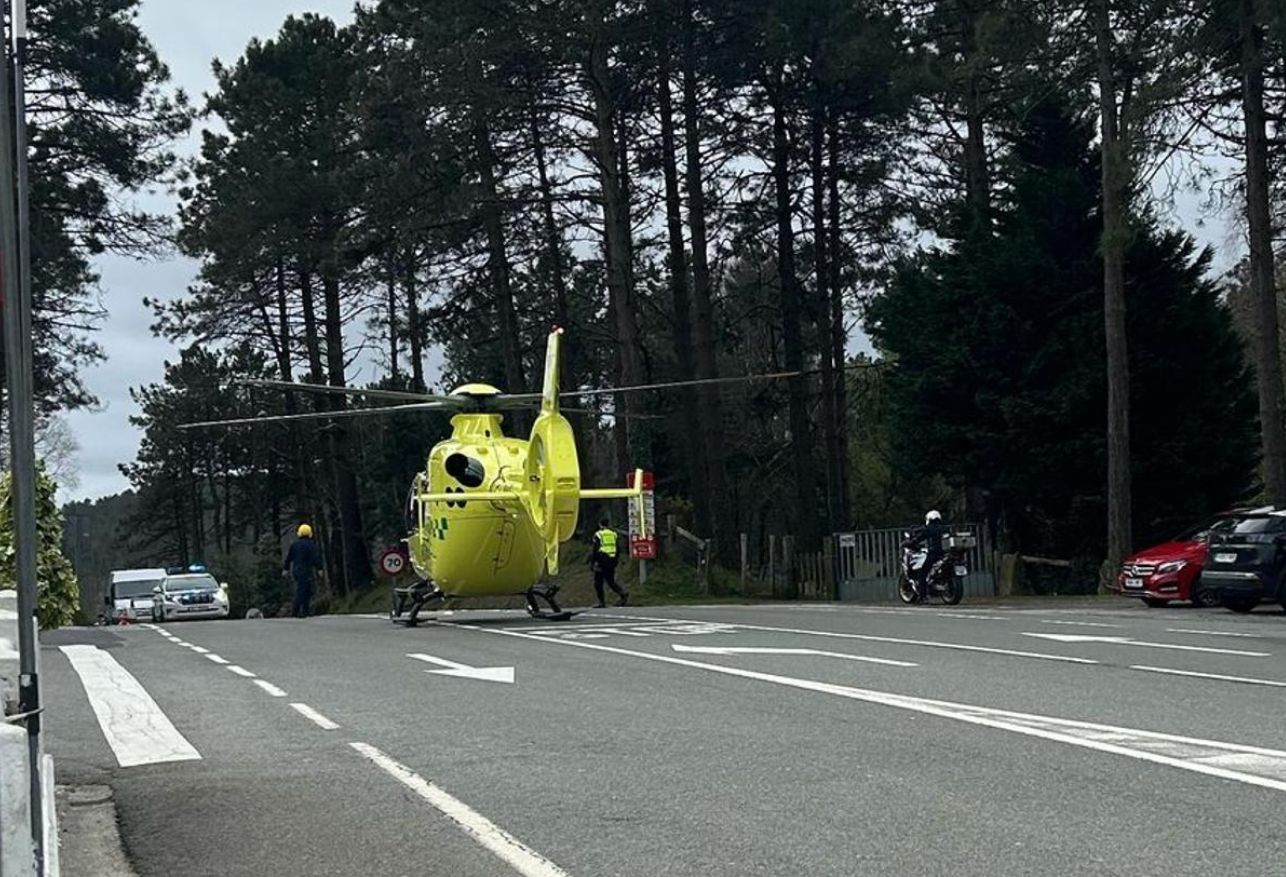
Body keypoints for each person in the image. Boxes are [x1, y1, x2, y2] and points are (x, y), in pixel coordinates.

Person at [283, 523, 322, 618]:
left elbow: (288, 558)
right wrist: (320, 569)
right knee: (303, 591)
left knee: (304, 589)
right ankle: (296, 612)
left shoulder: (295, 545)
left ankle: (305, 611)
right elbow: (315, 558)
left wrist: (285, 569)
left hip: (296, 571)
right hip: (306, 571)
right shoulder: (311, 545)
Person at [590, 517, 629, 608]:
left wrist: (593, 562)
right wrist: (616, 560)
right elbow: (617, 548)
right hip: (612, 560)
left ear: (600, 524)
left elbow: (595, 549)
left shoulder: (598, 534)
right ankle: (622, 593)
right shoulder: (613, 534)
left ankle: (601, 602)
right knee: (610, 581)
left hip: (601, 559)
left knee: (598, 582)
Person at [910, 510, 947, 596]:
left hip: (934, 553)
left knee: (922, 572)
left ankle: (922, 596)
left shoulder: (929, 529)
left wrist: (911, 542)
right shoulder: (944, 528)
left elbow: (919, 538)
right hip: (945, 554)